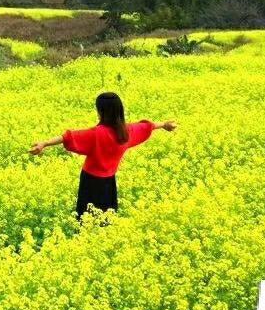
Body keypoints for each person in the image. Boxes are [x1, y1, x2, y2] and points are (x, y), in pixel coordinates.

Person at [29, 92, 176, 219]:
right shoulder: (126, 132)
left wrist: (45, 143)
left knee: (85, 217)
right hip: (108, 183)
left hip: (90, 182)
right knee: (106, 217)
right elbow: (147, 126)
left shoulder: (96, 134)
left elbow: (68, 137)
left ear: (101, 112)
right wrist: (164, 124)